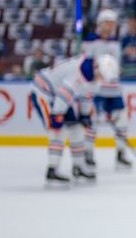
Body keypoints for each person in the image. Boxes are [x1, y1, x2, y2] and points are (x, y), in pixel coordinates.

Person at [30, 54, 119, 184]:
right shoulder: (77, 74)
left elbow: (86, 96)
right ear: (97, 68)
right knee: (58, 132)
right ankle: (52, 170)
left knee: (77, 129)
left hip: (61, 96)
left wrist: (84, 115)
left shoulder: (92, 76)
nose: (102, 79)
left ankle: (78, 167)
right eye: (102, 75)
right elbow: (63, 95)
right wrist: (57, 115)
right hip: (44, 93)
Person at [82, 9, 132, 170]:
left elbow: (116, 65)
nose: (111, 27)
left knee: (122, 119)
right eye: (109, 23)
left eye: (113, 23)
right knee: (93, 121)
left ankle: (120, 153)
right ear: (101, 23)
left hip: (114, 88)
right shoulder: (90, 41)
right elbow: (86, 64)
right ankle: (88, 153)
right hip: (96, 88)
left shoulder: (115, 42)